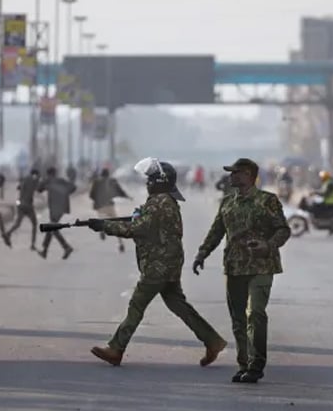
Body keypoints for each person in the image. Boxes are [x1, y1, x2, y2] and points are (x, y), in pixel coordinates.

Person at [89, 158, 227, 367]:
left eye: (150, 179)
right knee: (178, 305)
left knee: (137, 304)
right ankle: (212, 341)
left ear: (160, 181)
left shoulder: (158, 202)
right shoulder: (166, 201)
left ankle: (116, 348)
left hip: (158, 266)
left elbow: (136, 229)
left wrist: (104, 226)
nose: (147, 183)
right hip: (169, 263)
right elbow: (145, 224)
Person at [193, 157, 290, 384]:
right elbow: (216, 231)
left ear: (249, 176)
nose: (231, 176)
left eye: (236, 173)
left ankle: (257, 365)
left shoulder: (268, 201)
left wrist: (268, 245)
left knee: (255, 313)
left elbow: (283, 230)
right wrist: (202, 253)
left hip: (262, 265)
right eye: (231, 172)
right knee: (238, 319)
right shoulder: (227, 202)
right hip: (234, 266)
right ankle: (243, 364)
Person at [89, 168, 132, 253]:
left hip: (100, 206)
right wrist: (128, 197)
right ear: (108, 174)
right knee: (117, 223)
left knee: (102, 220)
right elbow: (120, 191)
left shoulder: (96, 182)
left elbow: (91, 195)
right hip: (110, 205)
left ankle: (102, 229)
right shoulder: (112, 181)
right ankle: (120, 243)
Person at [38, 167, 76, 260]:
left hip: (55, 208)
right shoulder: (61, 180)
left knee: (52, 227)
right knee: (51, 227)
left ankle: (67, 247)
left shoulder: (47, 181)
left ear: (48, 174)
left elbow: (39, 189)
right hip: (62, 207)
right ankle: (44, 251)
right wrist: (65, 193)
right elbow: (73, 187)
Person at [5, 169, 41, 251]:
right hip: (28, 206)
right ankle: (32, 244)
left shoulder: (25, 179)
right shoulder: (34, 181)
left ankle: (8, 233)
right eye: (37, 175)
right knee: (34, 224)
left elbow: (19, 187)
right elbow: (38, 188)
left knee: (18, 223)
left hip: (20, 204)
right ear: (35, 175)